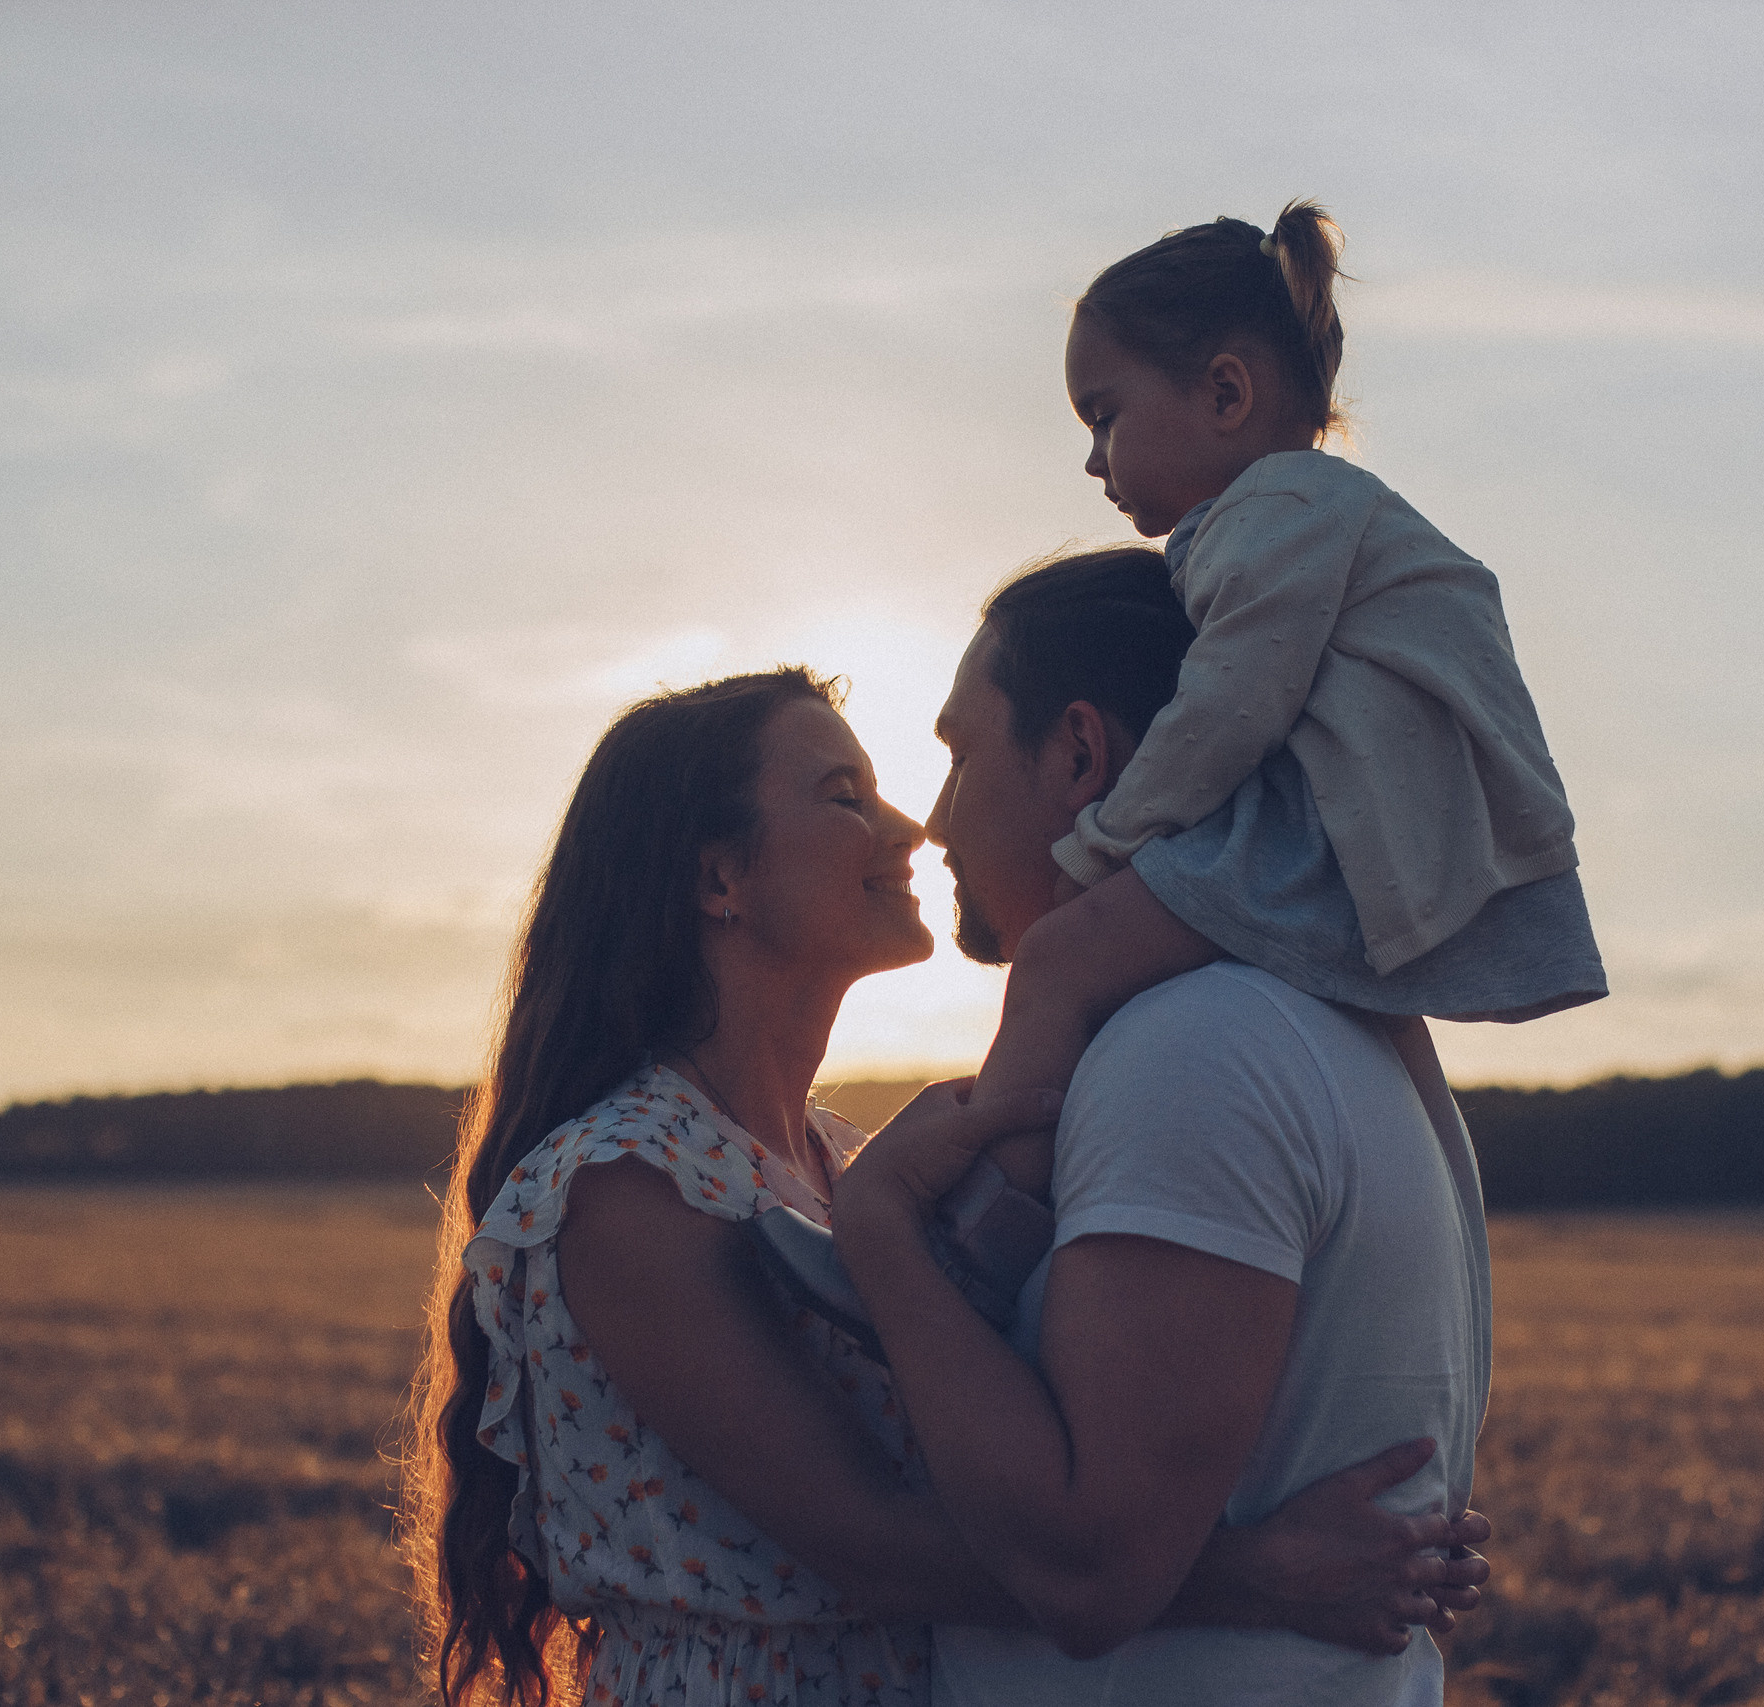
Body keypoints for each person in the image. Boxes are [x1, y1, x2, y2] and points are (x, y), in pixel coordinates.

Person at [401, 666, 1492, 1707]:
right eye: (843, 796)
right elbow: (874, 1545)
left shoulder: (839, 1160)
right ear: (718, 880)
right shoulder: (625, 1187)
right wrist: (1263, 1574)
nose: (909, 826)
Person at [754, 201, 1603, 1332]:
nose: (1092, 459)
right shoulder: (1290, 519)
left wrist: (1104, 849)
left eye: (1104, 417)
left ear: (1223, 393)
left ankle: (952, 1253)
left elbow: (1224, 713)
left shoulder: (1282, 511)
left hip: (1324, 843)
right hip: (1340, 831)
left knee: (1057, 963)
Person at [832, 548, 1501, 1705]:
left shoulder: (1197, 1050)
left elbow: (1087, 1572)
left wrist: (879, 1229)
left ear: (1081, 752)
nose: (934, 821)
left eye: (957, 752)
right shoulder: (1330, 1032)